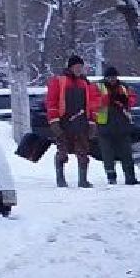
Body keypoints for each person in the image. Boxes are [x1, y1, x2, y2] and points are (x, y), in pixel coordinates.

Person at [44, 54, 102, 188]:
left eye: (81, 67)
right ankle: (60, 179)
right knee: (62, 152)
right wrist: (54, 121)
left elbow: (93, 104)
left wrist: (92, 122)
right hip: (64, 123)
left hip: (81, 124)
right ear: (70, 67)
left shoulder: (86, 83)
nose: (79, 69)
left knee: (83, 153)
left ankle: (83, 180)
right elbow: (51, 102)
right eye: (76, 67)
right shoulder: (58, 81)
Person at [96, 66, 140, 185]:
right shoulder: (98, 87)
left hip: (122, 126)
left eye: (114, 77)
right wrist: (108, 100)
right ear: (105, 78)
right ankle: (111, 178)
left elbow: (132, 99)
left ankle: (130, 178)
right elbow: (93, 102)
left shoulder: (124, 87)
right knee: (107, 155)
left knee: (126, 154)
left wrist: (126, 100)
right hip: (104, 125)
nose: (112, 79)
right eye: (109, 77)